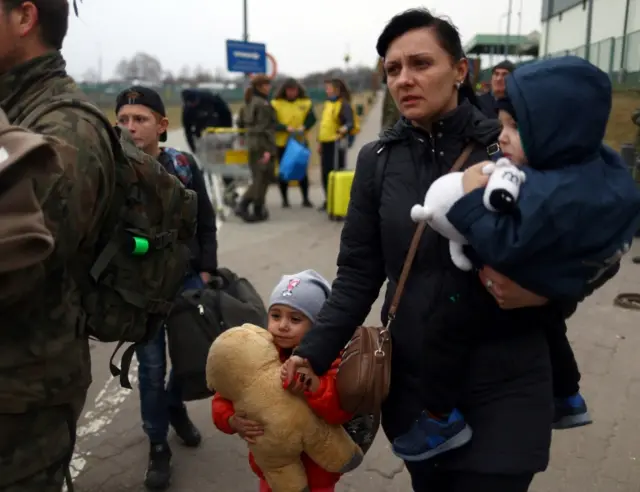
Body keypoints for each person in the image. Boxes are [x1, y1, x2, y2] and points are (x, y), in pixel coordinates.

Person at [283, 8, 578, 491]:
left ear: (461, 71)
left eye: (421, 64)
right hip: (416, 385)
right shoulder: (376, 161)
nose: (405, 80)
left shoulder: (510, 149)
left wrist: (547, 294)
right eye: (393, 69)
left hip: (507, 375)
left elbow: (586, 243)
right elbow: (358, 272)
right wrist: (310, 354)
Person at [392, 55, 640, 463]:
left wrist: (471, 200)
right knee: (549, 325)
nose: (502, 138)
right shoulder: (595, 166)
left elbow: (502, 245)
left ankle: (440, 419)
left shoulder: (546, 191)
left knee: (445, 326)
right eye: (392, 69)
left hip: (506, 317)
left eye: (514, 127)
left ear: (459, 70)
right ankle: (569, 397)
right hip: (546, 293)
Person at [0, 1, 117, 490]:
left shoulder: (67, 128)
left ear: (24, 18)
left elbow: (20, 265)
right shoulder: (14, 110)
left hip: (21, 408)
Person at [115, 85, 218, 490]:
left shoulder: (183, 164)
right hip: (140, 291)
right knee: (152, 368)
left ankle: (175, 405)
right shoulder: (112, 170)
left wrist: (207, 269)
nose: (130, 127)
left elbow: (205, 218)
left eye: (139, 119)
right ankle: (158, 444)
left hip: (187, 281)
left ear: (162, 125)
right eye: (122, 120)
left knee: (195, 359)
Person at [212, 269, 353, 492]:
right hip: (273, 473)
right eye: (275, 315)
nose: (283, 325)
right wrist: (231, 420)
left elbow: (341, 411)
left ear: (317, 325)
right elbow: (223, 398)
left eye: (295, 319)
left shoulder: (329, 359)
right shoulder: (254, 354)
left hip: (318, 473)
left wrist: (313, 387)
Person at [235, 74, 277, 223]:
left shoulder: (248, 102)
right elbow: (266, 129)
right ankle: (243, 204)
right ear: (260, 86)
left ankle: (258, 209)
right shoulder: (263, 104)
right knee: (261, 178)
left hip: (252, 144)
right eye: (267, 85)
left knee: (260, 177)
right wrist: (269, 150)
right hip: (262, 144)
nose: (269, 87)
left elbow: (240, 123)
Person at [271, 78, 316, 208]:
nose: (292, 93)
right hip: (282, 143)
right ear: (284, 91)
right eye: (289, 90)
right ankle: (285, 200)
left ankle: (306, 199)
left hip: (300, 142)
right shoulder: (276, 104)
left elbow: (312, 118)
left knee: (301, 170)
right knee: (284, 171)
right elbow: (271, 122)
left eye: (294, 90)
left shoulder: (305, 103)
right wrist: (284, 128)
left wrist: (305, 126)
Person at [316, 78, 354, 211]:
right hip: (325, 142)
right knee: (325, 173)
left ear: (337, 89)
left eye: (329, 88)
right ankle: (329, 200)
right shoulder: (328, 104)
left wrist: (342, 130)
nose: (326, 90)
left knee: (335, 172)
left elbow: (350, 123)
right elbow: (324, 125)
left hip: (336, 144)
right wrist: (319, 142)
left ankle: (336, 200)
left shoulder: (343, 104)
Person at [181, 88, 233, 154]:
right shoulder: (187, 110)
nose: (194, 104)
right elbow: (187, 130)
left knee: (217, 130)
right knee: (200, 135)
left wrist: (228, 132)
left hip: (216, 120)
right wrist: (194, 149)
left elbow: (226, 113)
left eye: (195, 102)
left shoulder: (209, 97)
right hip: (200, 126)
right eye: (191, 104)